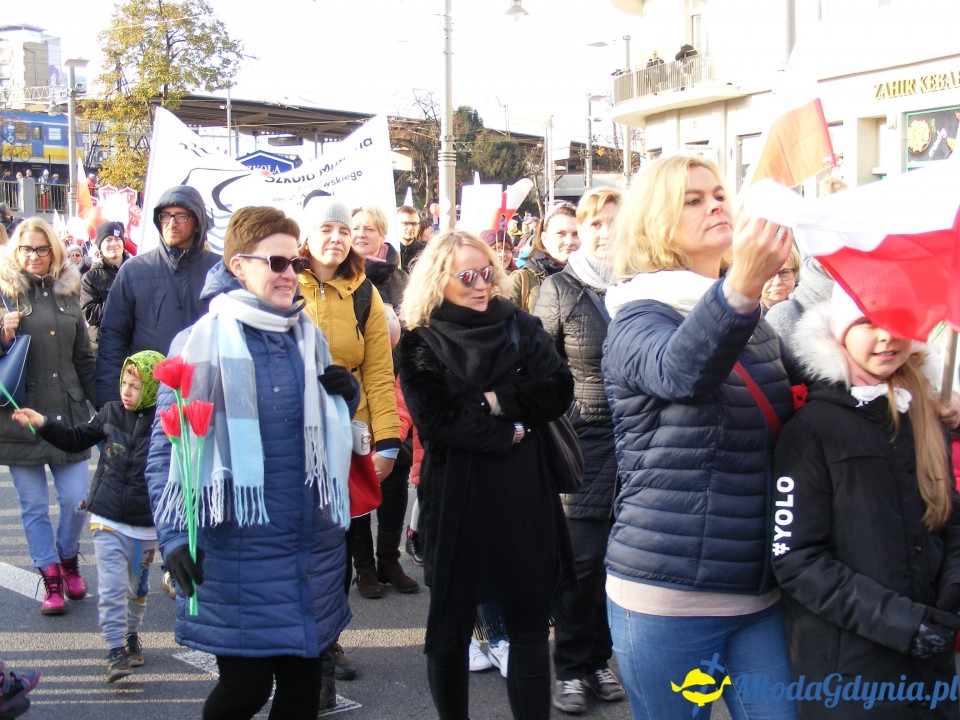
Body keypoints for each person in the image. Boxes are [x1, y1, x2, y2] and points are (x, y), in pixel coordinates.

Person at [601, 154, 798, 719]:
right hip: (668, 596)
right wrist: (743, 286)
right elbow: (681, 373)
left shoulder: (752, 322)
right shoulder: (637, 317)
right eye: (692, 200)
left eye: (717, 195)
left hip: (759, 589)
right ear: (655, 223)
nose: (715, 205)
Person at [144, 206, 359, 720]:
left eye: (295, 262)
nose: (290, 274)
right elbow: (167, 451)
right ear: (238, 266)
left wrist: (344, 398)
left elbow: (320, 430)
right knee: (245, 691)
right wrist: (173, 539)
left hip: (311, 548)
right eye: (276, 262)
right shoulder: (199, 342)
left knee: (303, 696)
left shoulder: (308, 337)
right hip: (238, 552)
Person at [397, 230, 575, 720]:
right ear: (439, 279)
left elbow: (559, 389)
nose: (481, 285)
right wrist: (507, 431)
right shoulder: (421, 338)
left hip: (524, 490)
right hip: (457, 495)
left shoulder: (520, 324)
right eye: (467, 276)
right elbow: (436, 420)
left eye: (487, 273)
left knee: (529, 627)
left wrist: (494, 401)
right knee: (450, 628)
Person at [771, 286, 960, 719]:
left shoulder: (925, 417)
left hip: (930, 665)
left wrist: (952, 592)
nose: (887, 336)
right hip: (851, 673)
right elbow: (796, 559)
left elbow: (950, 521)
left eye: (898, 322)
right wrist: (902, 623)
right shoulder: (813, 428)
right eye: (868, 323)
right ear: (840, 332)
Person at [297, 199, 406, 691]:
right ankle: (295, 640)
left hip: (345, 437)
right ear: (306, 234)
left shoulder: (366, 293)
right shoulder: (283, 280)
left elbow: (380, 374)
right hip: (289, 435)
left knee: (336, 546)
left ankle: (327, 641)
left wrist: (388, 441)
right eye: (327, 228)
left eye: (344, 230)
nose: (337, 238)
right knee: (295, 545)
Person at [12, 350, 165, 684]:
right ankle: (114, 649)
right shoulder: (109, 413)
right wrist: (43, 423)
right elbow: (74, 438)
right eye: (124, 383)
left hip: (146, 526)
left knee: (136, 589)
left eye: (136, 386)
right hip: (108, 519)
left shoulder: (166, 423)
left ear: (153, 389)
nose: (126, 391)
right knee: (111, 589)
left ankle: (131, 634)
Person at [533, 188, 626, 714]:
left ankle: (598, 659)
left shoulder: (640, 284)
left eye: (614, 221)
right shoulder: (559, 289)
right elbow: (538, 370)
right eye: (595, 224)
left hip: (637, 445)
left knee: (619, 565)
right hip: (583, 445)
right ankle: (570, 666)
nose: (605, 232)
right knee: (582, 564)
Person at [0, 218, 97, 615]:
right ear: (15, 251)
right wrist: (2, 336)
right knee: (33, 504)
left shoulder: (68, 293)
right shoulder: (4, 294)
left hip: (67, 414)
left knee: (76, 499)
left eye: (41, 249)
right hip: (20, 416)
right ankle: (51, 576)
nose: (34, 256)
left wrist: (105, 406)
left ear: (54, 250)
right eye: (26, 249)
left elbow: (84, 358)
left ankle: (68, 557)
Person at [95, 185, 219, 404]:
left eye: (181, 216)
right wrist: (110, 403)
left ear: (198, 223)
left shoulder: (219, 270)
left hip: (207, 396)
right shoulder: (134, 271)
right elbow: (112, 338)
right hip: (147, 401)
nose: (171, 223)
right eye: (165, 216)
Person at [348, 204, 416, 597]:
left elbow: (414, 333)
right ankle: (364, 567)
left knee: (395, 473)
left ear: (382, 234)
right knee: (358, 476)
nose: (360, 234)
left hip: (396, 390)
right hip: (354, 394)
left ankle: (389, 559)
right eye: (354, 227)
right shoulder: (339, 277)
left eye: (369, 228)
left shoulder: (401, 279)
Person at [510, 202, 580, 312]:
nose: (569, 241)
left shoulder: (593, 279)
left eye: (576, 234)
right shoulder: (522, 279)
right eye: (560, 234)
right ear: (544, 238)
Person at [80, 221, 130, 352]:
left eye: (117, 239)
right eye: (108, 240)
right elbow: (89, 313)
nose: (114, 244)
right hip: (103, 346)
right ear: (100, 245)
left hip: (132, 343)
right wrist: (119, 299)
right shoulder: (90, 277)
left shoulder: (136, 271)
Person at [760, 243, 801, 312]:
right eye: (768, 275)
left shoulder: (813, 306)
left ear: (795, 274)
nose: (777, 282)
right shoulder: (745, 315)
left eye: (784, 272)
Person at [397, 205, 426, 273]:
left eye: (414, 224)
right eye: (405, 223)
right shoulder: (388, 252)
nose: (410, 227)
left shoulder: (425, 252)